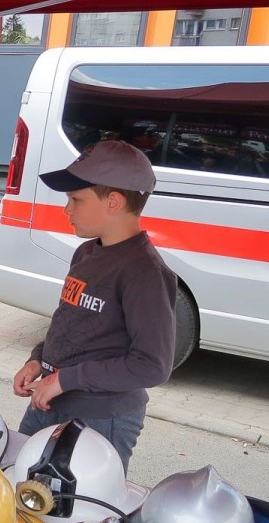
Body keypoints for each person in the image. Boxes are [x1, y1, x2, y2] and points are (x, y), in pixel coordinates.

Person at [12, 140, 177, 470]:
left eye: (76, 199)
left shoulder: (144, 272)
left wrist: (65, 379)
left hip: (100, 418)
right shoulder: (86, 253)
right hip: (50, 399)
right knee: (18, 478)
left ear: (113, 202)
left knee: (79, 500)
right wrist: (39, 359)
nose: (67, 209)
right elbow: (70, 323)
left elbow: (152, 366)